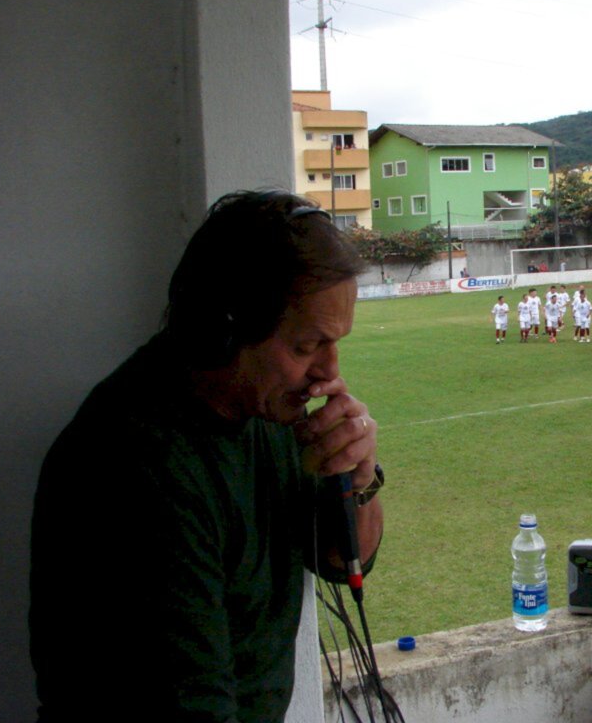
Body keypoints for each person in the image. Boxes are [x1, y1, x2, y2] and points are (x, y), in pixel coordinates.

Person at [30, 190, 384, 722]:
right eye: (307, 347)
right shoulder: (138, 465)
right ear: (226, 330)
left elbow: (340, 560)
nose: (330, 374)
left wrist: (357, 479)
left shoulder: (269, 412)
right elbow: (188, 703)